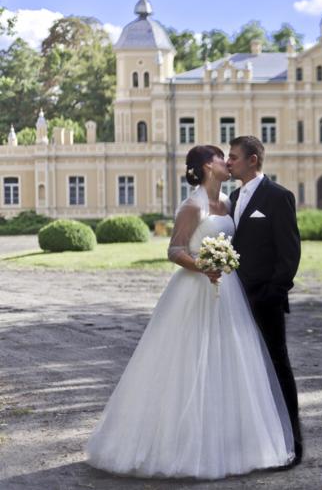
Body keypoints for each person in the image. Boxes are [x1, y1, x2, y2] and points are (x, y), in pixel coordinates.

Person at [86, 145, 295, 479]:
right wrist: (204, 266)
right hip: (194, 290)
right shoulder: (192, 206)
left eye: (230, 157)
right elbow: (174, 250)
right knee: (188, 362)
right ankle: (178, 444)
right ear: (206, 167)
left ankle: (233, 443)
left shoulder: (229, 202)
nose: (227, 162)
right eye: (219, 158)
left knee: (230, 363)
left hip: (228, 293)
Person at [226, 135, 303, 466]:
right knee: (243, 369)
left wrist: (274, 290)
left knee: (277, 366)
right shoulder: (232, 197)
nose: (228, 163)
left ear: (253, 160)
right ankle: (253, 440)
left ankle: (292, 443)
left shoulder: (278, 197)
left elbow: (290, 251)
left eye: (233, 157)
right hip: (233, 300)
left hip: (265, 300)